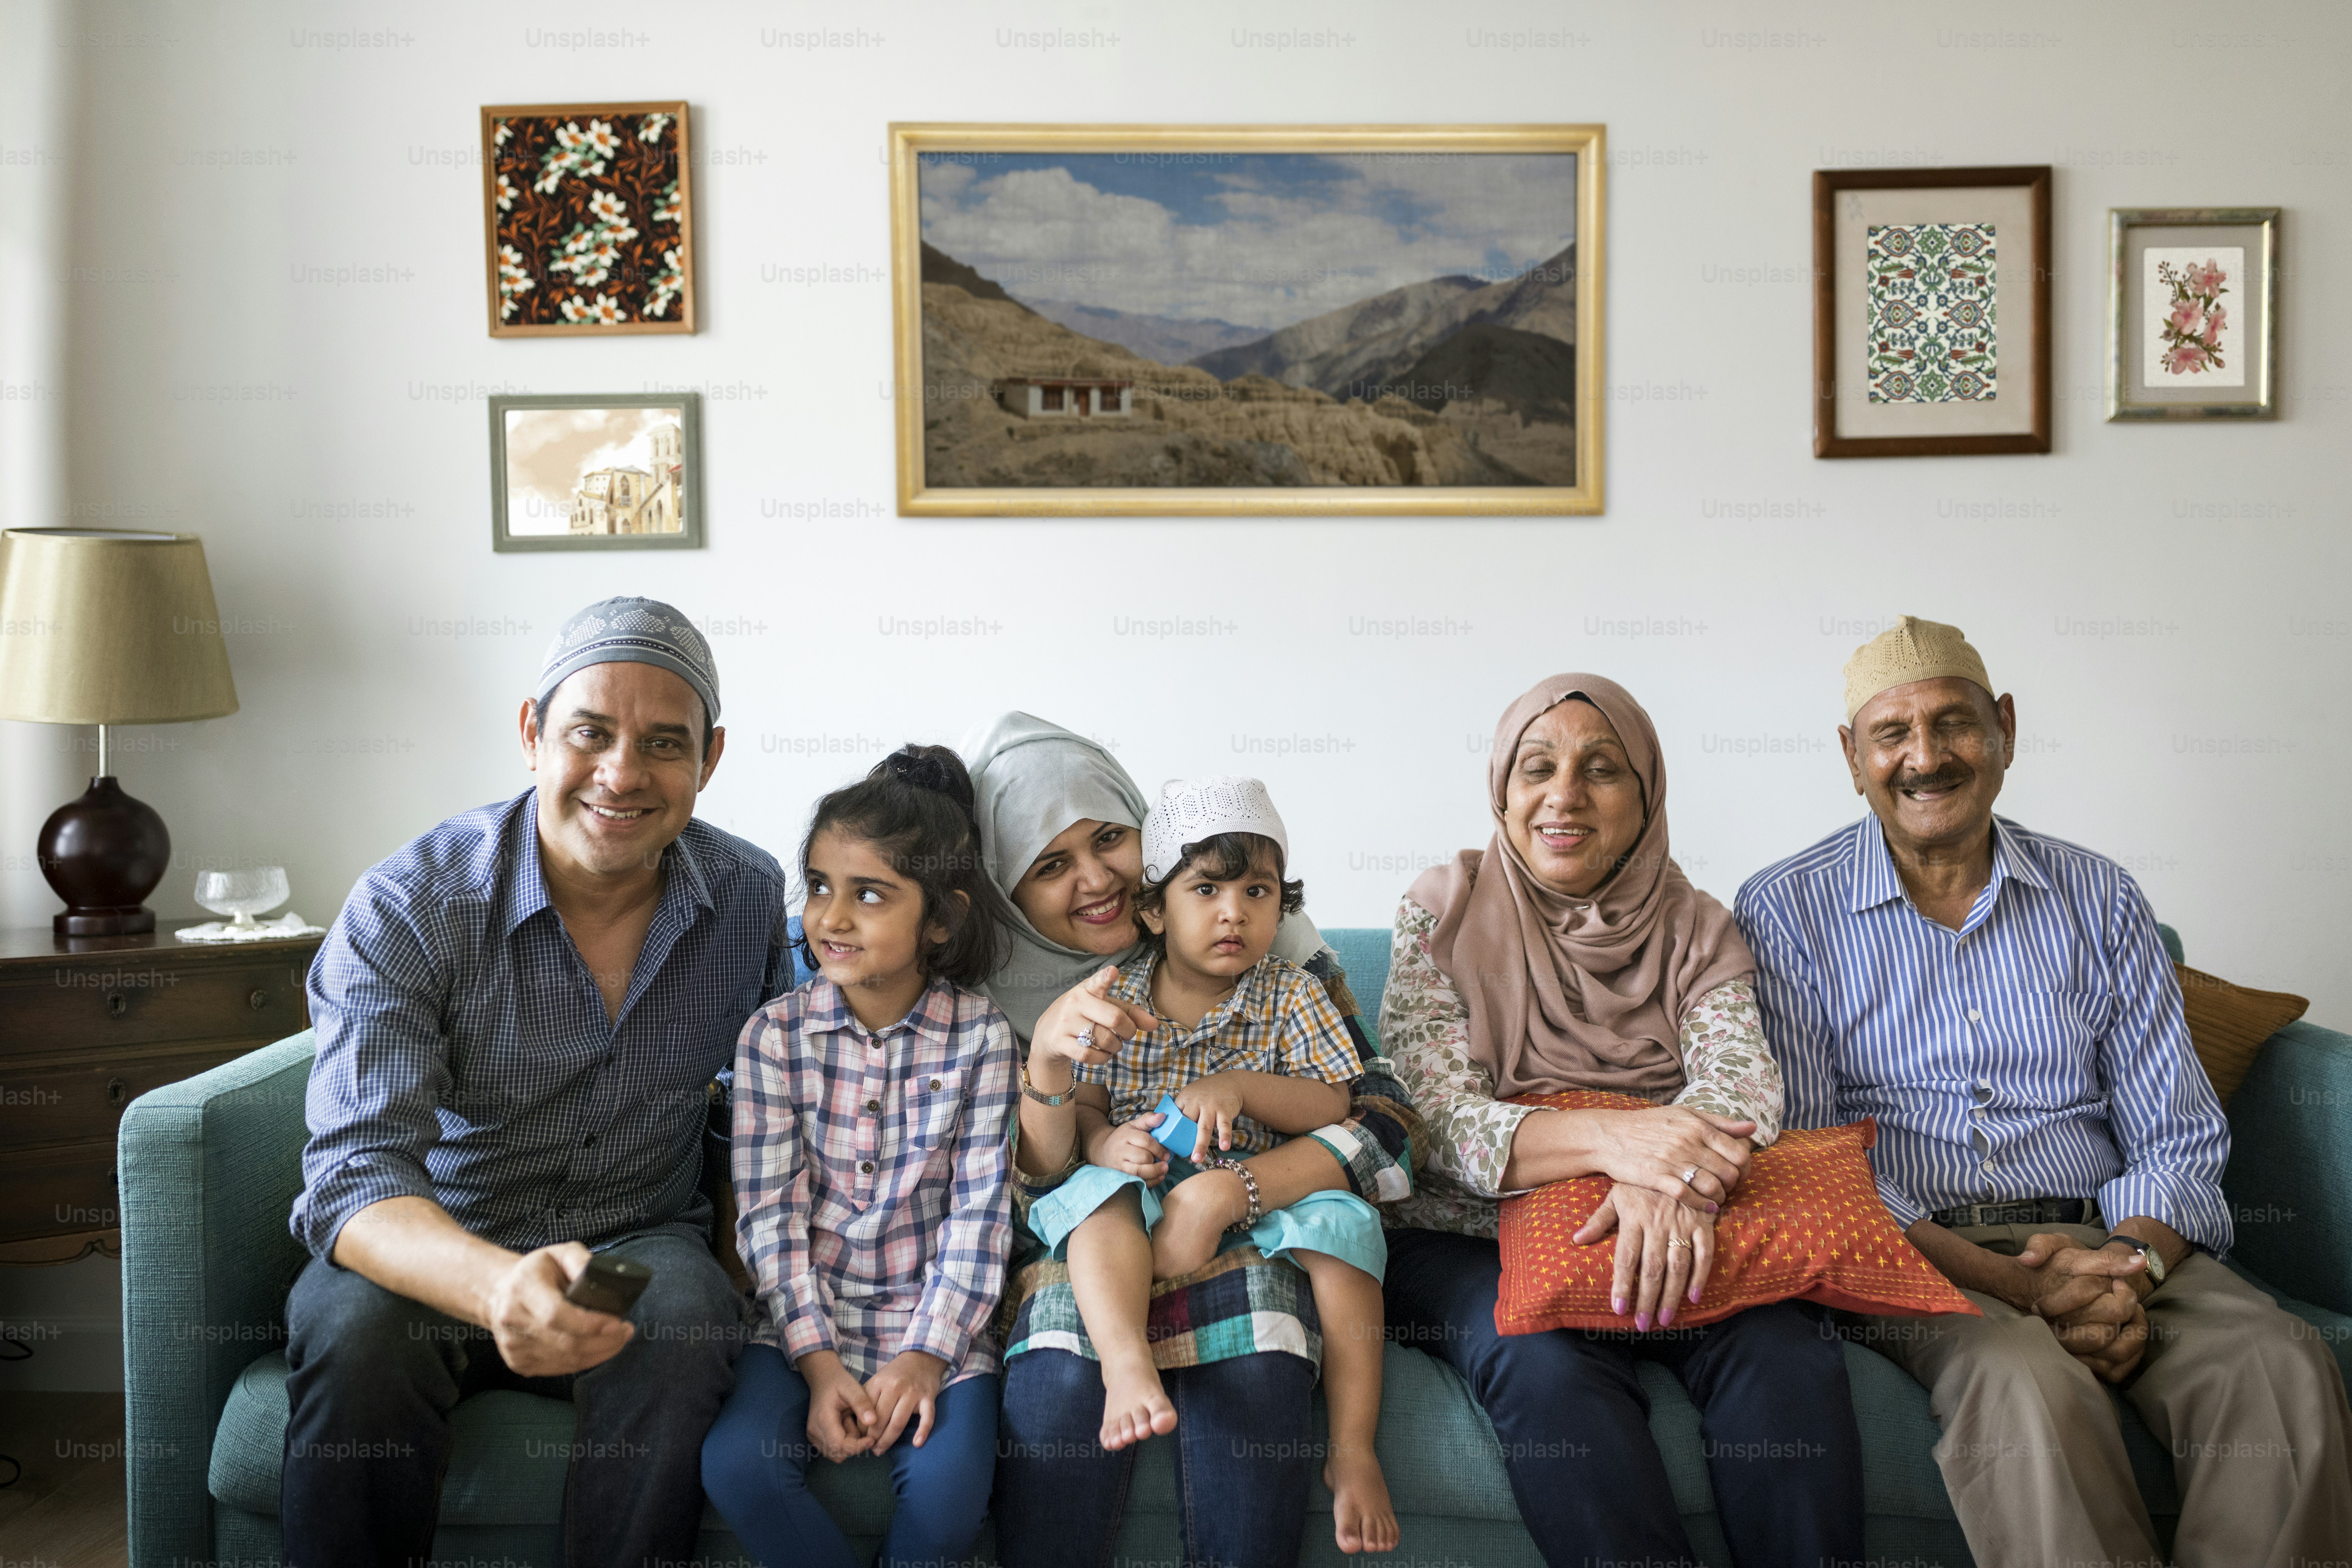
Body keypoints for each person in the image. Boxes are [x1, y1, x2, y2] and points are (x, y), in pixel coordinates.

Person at [1735, 614, 2352, 1568]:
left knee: (2276, 1367)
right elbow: (1809, 1153)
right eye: (1891, 733)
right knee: (2028, 1385)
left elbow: (2175, 1129)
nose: (1925, 756)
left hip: (2112, 1239)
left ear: (2006, 729)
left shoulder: (2098, 896)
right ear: (1851, 757)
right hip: (1921, 1254)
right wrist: (2017, 1283)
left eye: (1954, 722)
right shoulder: (1784, 907)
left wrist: (2125, 1268)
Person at [283, 598, 790, 1568]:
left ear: (710, 759)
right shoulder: (412, 902)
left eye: (663, 743)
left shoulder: (749, 898)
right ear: (531, 733)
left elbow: (780, 1107)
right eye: (590, 733)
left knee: (687, 1313)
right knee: (353, 1327)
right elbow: (352, 1175)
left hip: (640, 1236)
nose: (623, 773)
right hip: (443, 1233)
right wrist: (497, 1280)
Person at [1379, 673, 1865, 1568]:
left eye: (1601, 770)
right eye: (1538, 767)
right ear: (1502, 788)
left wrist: (1667, 1182)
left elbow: (1742, 1087)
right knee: (1540, 1366)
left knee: (1787, 1359)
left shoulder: (1699, 926)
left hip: (1675, 1218)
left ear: (1646, 795)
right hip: (1468, 1237)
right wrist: (1623, 1145)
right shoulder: (1443, 910)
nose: (1563, 795)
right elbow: (1431, 1122)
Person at [966, 713, 1417, 1568]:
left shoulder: (1281, 971)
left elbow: (1376, 1117)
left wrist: (1228, 1188)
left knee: (1281, 1334)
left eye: (1109, 839)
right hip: (1114, 1209)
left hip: (1249, 1203)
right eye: (1051, 864)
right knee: (1062, 1370)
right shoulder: (979, 979)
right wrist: (1078, 1110)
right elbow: (1036, 1179)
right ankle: (1125, 1365)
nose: (1095, 878)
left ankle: (1352, 1451)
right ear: (1003, 885)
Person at [700, 745, 1019, 1568]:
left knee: (951, 1501)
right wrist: (815, 1364)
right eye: (818, 886)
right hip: (807, 1317)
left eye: (868, 894)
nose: (830, 918)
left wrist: (923, 1356)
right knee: (738, 1466)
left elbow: (981, 1215)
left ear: (941, 918)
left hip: (937, 1322)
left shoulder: (981, 1037)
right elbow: (769, 1218)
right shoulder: (773, 1036)